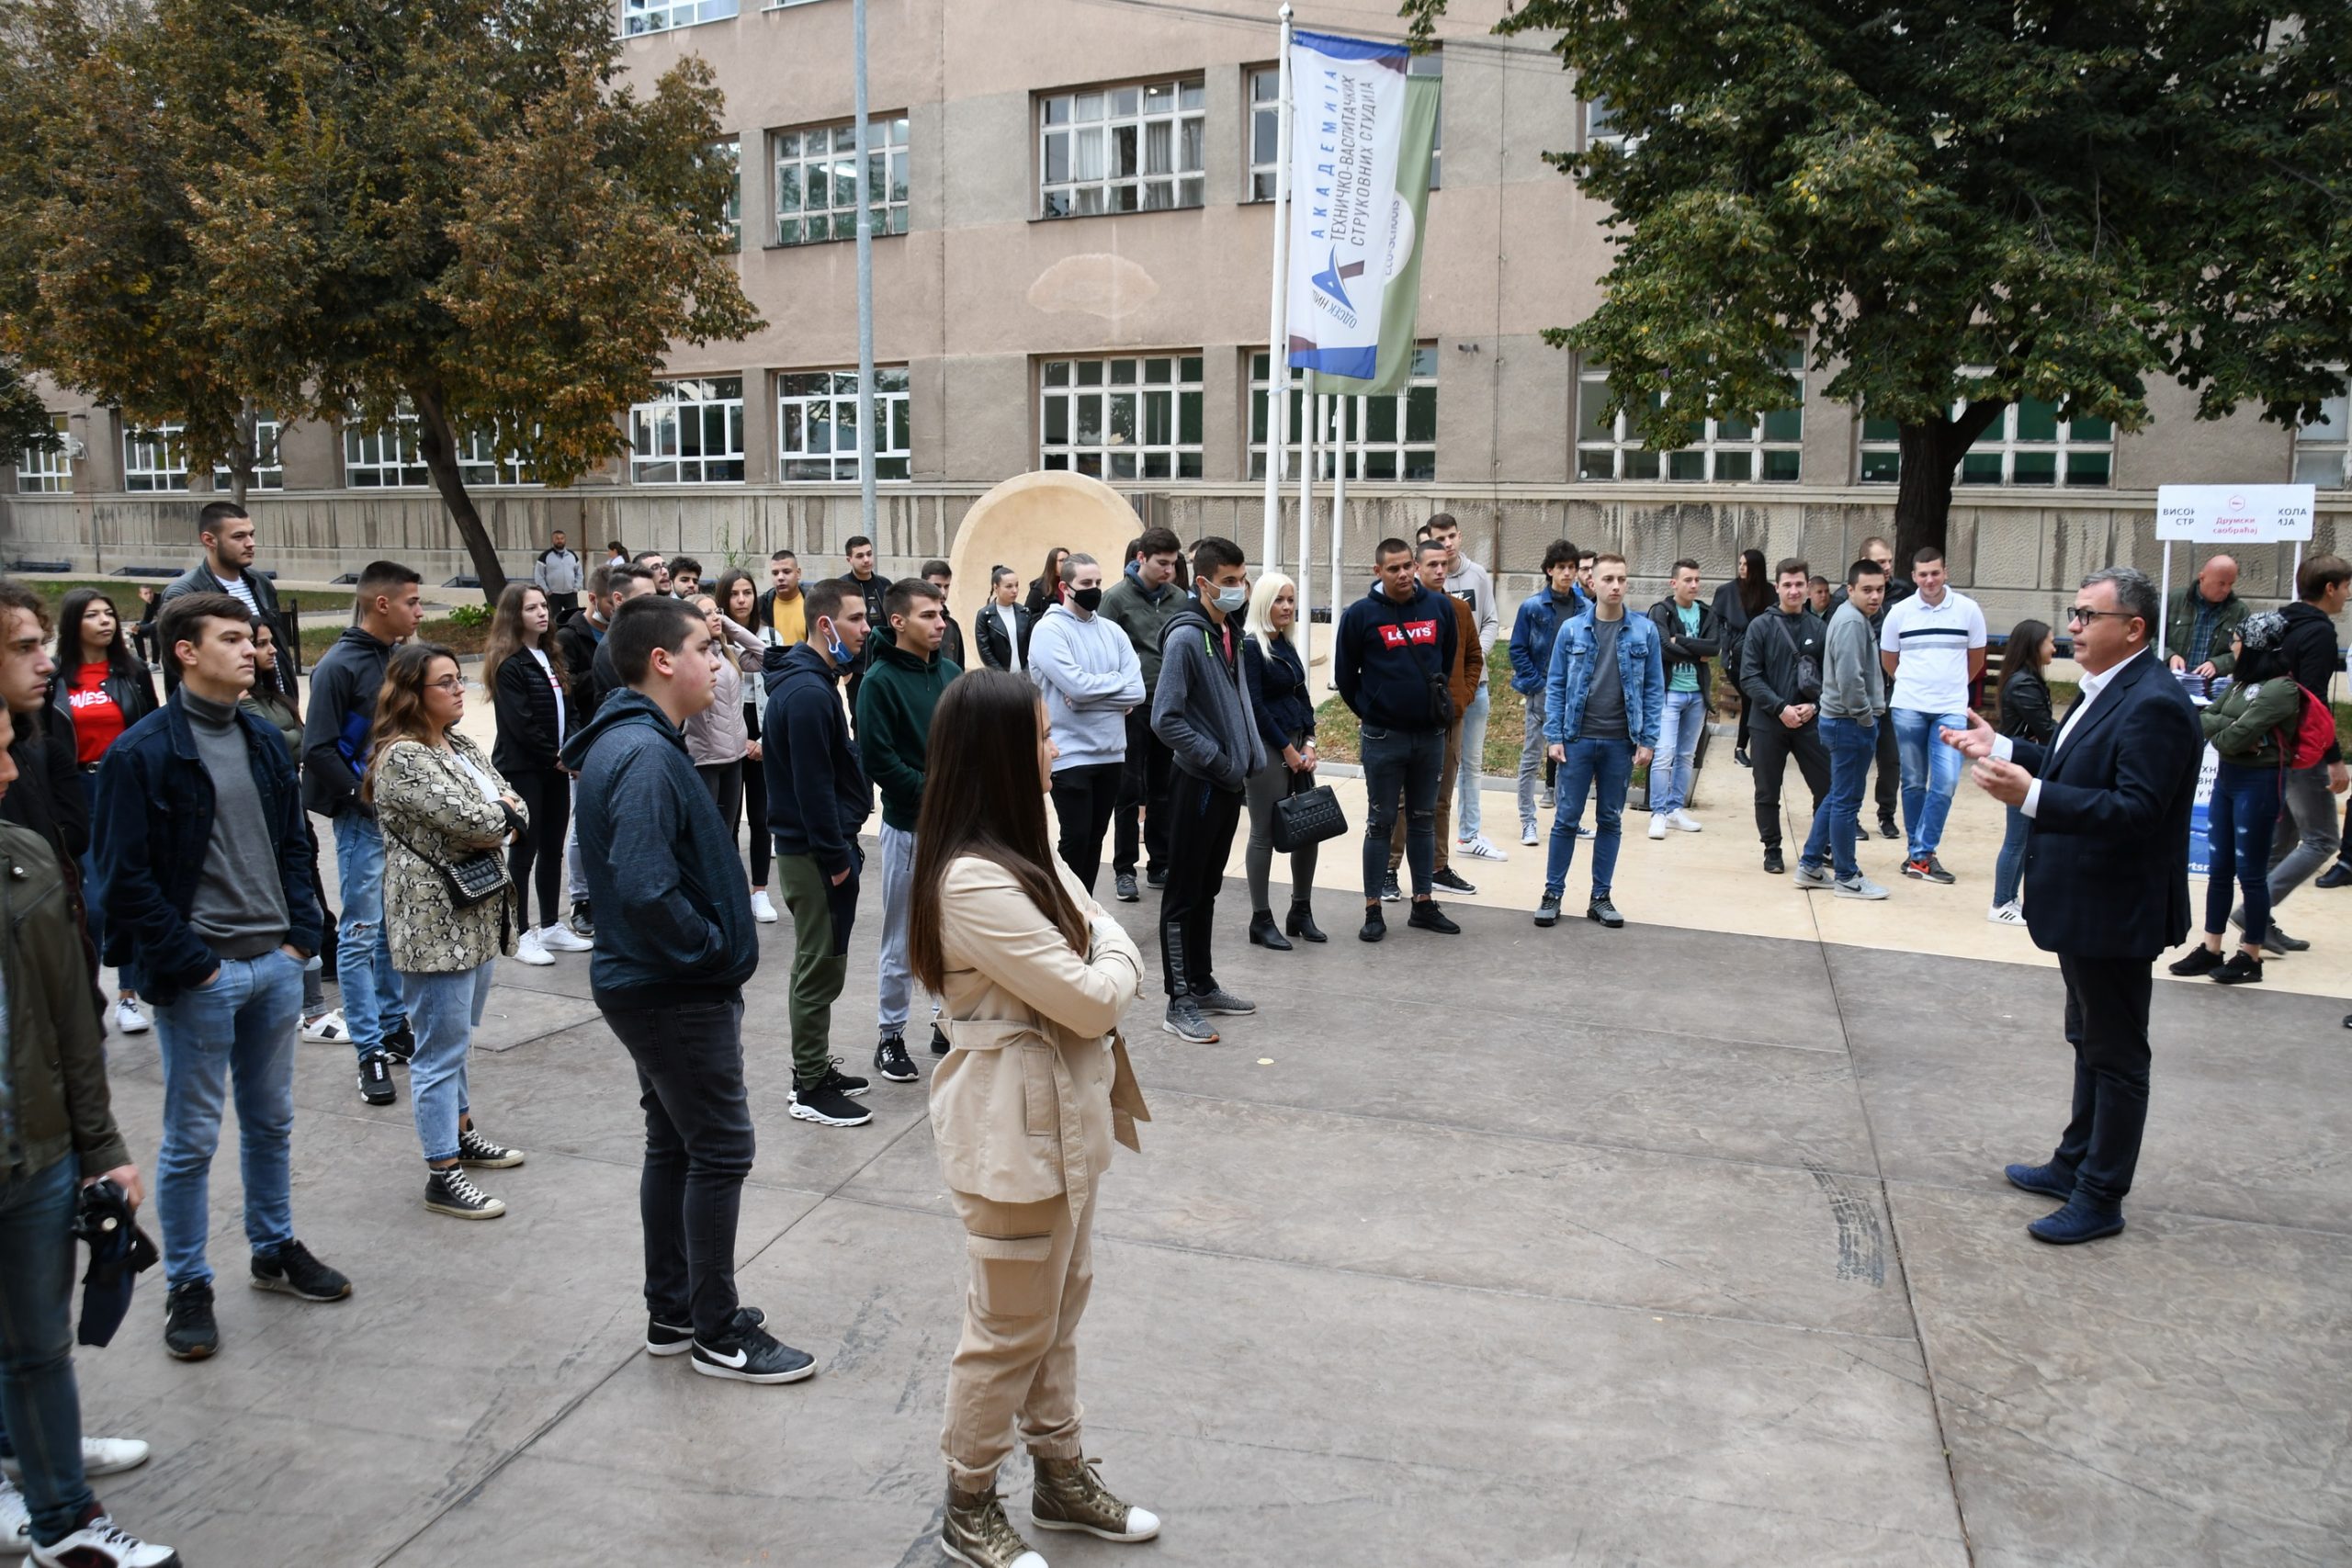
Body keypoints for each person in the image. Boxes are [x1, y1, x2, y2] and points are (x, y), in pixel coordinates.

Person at [908, 670, 1159, 1568]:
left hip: (1064, 1121)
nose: (1056, 748)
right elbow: (1092, 992)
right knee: (1008, 1325)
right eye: (1043, 736)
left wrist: (1106, 958)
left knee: (1058, 1310)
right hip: (1012, 1135)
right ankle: (968, 1500)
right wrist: (1117, 962)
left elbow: (1097, 941)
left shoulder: (1027, 842)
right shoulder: (972, 881)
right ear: (1004, 756)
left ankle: (1058, 1474)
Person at [94, 592, 350, 1359]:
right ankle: (188, 1282)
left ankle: (273, 1248)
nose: (252, 649)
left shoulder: (262, 738)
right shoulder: (141, 753)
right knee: (191, 1140)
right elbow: (123, 879)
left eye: (252, 637)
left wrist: (299, 939)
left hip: (274, 965)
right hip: (203, 977)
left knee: (271, 1121)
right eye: (233, 638)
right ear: (185, 651)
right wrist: (195, 964)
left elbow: (296, 844)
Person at [568, 595, 816, 1383]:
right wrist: (708, 950)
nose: (719, 661)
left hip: (655, 984)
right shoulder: (643, 754)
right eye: (706, 648)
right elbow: (645, 885)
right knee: (720, 1146)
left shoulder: (640, 741)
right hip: (670, 988)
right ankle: (716, 1331)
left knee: (675, 1143)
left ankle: (675, 1310)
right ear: (662, 661)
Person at [1944, 566, 2201, 1245]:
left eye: (2089, 616)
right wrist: (2001, 746)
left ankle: (2101, 1194)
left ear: (2134, 628)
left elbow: (2137, 810)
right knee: (2089, 1041)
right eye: (2075, 614)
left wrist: (2029, 795)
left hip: (2115, 909)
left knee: (2117, 1056)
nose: (2074, 627)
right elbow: (2071, 764)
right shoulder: (2106, 687)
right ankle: (2073, 1163)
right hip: (2084, 904)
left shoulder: (2154, 702)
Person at [0, 704, 178, 1568]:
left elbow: (75, 1021)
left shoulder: (25, 860)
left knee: (38, 1347)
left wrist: (101, 1147)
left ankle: (63, 1517)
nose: (11, 773)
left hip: (32, 1155)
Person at [368, 643, 529, 1217]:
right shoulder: (402, 757)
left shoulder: (460, 745)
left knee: (456, 1040)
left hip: (476, 913)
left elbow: (516, 806)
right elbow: (478, 819)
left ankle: (460, 1133)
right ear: (413, 694)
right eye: (446, 682)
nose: (460, 689)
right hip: (433, 924)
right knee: (437, 1051)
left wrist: (502, 816)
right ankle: (442, 1172)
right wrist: (500, 817)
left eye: (459, 679)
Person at [302, 560, 424, 1106]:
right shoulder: (338, 666)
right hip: (363, 821)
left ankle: (393, 1026)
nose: (418, 612)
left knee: (389, 929)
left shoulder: (398, 659)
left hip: (401, 818)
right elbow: (318, 750)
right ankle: (369, 1049)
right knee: (359, 932)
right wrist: (365, 800)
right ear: (381, 604)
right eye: (411, 602)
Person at [763, 580, 878, 1131]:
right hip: (814, 855)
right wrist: (836, 861)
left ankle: (812, 1070)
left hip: (817, 850)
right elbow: (811, 789)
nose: (865, 628)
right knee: (819, 967)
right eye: (855, 619)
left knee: (817, 963)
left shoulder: (814, 682)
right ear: (825, 624)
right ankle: (809, 1086)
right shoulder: (808, 693)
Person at [1149, 536, 1264, 1044]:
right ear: (1203, 583)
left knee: (1208, 888)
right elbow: (1165, 718)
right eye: (1230, 582)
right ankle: (1178, 1001)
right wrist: (1217, 758)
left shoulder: (1228, 631)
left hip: (1225, 784)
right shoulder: (1187, 638)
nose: (1241, 589)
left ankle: (1202, 983)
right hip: (1198, 781)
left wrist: (1241, 762)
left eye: (1243, 579)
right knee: (1182, 893)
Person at [857, 578, 960, 1083]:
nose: (940, 623)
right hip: (909, 829)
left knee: (951, 933)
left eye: (941, 613)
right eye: (928, 615)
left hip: (956, 829)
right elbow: (879, 759)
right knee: (901, 936)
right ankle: (891, 1035)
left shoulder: (952, 674)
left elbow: (968, 745)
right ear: (898, 622)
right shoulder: (877, 681)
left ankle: (946, 1021)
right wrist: (934, 793)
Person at [1336, 538, 1461, 942]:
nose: (1404, 574)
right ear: (1378, 572)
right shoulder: (1360, 615)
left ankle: (1423, 903)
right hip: (1383, 737)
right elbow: (1345, 677)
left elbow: (1446, 660)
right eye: (1394, 569)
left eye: (1408, 565)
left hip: (1430, 736)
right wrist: (1375, 711)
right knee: (1381, 822)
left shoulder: (1439, 608)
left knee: (1423, 819)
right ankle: (1373, 908)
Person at [2167, 615, 2302, 987]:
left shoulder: (2281, 689)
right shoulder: (2242, 683)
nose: (2232, 646)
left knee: (2251, 874)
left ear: (2256, 644)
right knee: (2219, 869)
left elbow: (2228, 737)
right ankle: (2211, 948)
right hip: (2228, 780)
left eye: (2238, 639)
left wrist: (2227, 732)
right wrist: (2230, 731)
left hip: (2258, 785)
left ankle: (2250, 956)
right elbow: (2205, 720)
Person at [50, 589, 157, 1035]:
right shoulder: (55, 678)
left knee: (127, 893)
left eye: (109, 613)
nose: (105, 621)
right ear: (73, 623)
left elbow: (151, 728)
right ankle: (87, 995)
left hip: (125, 788)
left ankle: (128, 997)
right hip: (78, 791)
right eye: (92, 615)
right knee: (91, 905)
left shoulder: (132, 673)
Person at [1534, 553, 1662, 929]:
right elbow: (1556, 684)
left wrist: (1648, 739)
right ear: (1592, 582)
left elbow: (1654, 688)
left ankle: (1600, 897)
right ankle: (1552, 894)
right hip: (1577, 739)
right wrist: (1554, 735)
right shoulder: (1572, 630)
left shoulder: (1645, 631)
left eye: (1621, 579)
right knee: (1566, 819)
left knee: (1610, 819)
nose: (1615, 586)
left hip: (1620, 742)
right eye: (1608, 579)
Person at [242, 618, 345, 1045]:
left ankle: (314, 1001)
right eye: (259, 643)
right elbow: (290, 743)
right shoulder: (242, 707)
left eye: (270, 642)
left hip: (291, 807)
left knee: (308, 895)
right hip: (262, 815)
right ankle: (310, 1010)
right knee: (292, 900)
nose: (268, 651)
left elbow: (302, 742)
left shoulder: (270, 696)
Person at [484, 584, 591, 966]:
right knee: (523, 850)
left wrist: (571, 748)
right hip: (524, 768)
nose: (543, 613)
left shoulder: (550, 655)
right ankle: (520, 932)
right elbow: (521, 723)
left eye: (543, 606)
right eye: (531, 608)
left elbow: (571, 709)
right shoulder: (509, 663)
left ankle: (550, 925)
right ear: (514, 615)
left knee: (552, 848)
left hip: (555, 767)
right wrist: (556, 756)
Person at [1026, 554, 1144, 895]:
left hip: (1111, 752)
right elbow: (1076, 686)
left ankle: (1084, 907)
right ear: (1065, 587)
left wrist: (1085, 698)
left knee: (1094, 839)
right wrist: (1110, 688)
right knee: (1075, 838)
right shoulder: (1049, 630)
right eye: (1086, 584)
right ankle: (1061, 905)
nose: (1094, 589)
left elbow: (1137, 690)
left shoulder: (1113, 631)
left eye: (1098, 583)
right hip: (1069, 753)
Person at [2256, 555, 2352, 942]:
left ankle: (2258, 927)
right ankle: (2254, 912)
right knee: (2323, 840)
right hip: (2303, 750)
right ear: (2329, 588)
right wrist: (2334, 759)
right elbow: (2313, 701)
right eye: (2346, 586)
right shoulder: (2319, 633)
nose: (2347, 594)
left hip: (2275, 745)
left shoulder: (2280, 623)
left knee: (2282, 842)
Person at [1880, 546, 1988, 884]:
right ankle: (1921, 856)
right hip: (1908, 707)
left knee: (1946, 781)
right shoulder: (1899, 613)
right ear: (1914, 577)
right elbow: (1889, 659)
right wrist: (1914, 685)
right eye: (1923, 574)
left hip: (1951, 708)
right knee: (1913, 782)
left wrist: (1951, 686)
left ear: (1945, 573)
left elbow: (1976, 658)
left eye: (1935, 573)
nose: (1929, 580)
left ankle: (1920, 853)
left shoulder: (1968, 610)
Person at [1383, 541, 1483, 899]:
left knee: (1441, 797)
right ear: (1416, 567)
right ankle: (1389, 869)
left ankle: (1437, 868)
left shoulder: (1458, 609)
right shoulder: (1398, 608)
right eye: (1432, 565)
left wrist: (1462, 696)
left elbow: (1474, 657)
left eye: (1444, 564)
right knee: (1401, 799)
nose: (1440, 571)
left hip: (1449, 718)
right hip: (1408, 719)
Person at [1792, 559, 1891, 900]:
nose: (1875, 596)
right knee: (1847, 803)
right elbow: (1850, 679)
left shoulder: (1854, 617)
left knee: (1837, 796)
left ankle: (1810, 865)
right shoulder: (1851, 621)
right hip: (1849, 723)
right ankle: (1847, 877)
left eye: (1880, 589)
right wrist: (1866, 717)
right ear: (1850, 590)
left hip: (1844, 721)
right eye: (1867, 589)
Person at [1100, 529, 1186, 903]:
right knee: (1128, 790)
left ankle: (1160, 864)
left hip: (1170, 708)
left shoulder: (1179, 599)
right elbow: (1103, 651)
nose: (1169, 570)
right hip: (1132, 708)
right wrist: (1117, 696)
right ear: (1141, 558)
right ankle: (1124, 870)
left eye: (1173, 563)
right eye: (1161, 563)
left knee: (1163, 789)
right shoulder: (1115, 599)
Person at [1241, 571, 1322, 952]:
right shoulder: (1250, 646)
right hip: (1267, 750)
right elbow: (1255, 707)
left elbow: (1302, 696)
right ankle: (1261, 919)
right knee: (1264, 833)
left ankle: (1300, 911)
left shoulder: (1285, 643)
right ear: (1263, 602)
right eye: (1279, 600)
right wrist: (1288, 750)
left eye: (1291, 599)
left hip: (1297, 746)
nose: (1287, 607)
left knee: (1309, 827)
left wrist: (1310, 742)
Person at [1738, 558, 1831, 875]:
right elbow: (1749, 677)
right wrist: (1780, 708)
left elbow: (1832, 678)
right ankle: (1772, 848)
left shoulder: (1820, 628)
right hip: (1767, 723)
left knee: (1827, 787)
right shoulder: (1760, 626)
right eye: (1787, 585)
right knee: (1767, 791)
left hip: (1810, 723)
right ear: (1776, 587)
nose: (1794, 590)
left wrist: (1814, 706)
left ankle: (1819, 846)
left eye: (1799, 584)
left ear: (1808, 588)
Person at [1425, 513, 1506, 861]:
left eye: (1452, 536)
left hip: (1476, 684)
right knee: (1437, 767)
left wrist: (1475, 657)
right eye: (1440, 538)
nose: (1447, 544)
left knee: (1471, 763)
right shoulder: (1424, 583)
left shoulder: (1477, 575)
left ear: (1460, 537)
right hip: (1438, 692)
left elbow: (1490, 621)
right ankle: (1428, 839)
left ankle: (1469, 834)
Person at [680, 592, 764, 920]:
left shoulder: (727, 653)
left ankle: (723, 900)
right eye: (707, 613)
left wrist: (727, 625)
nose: (715, 616)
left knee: (728, 835)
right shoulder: (690, 656)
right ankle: (703, 903)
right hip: (705, 759)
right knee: (706, 836)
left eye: (717, 610)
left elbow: (764, 655)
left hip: (734, 757)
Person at [159, 502, 288, 700]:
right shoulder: (186, 592)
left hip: (275, 704)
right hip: (227, 709)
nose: (250, 543)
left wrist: (288, 702)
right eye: (239, 536)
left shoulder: (260, 583)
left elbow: (278, 651)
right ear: (209, 540)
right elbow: (177, 671)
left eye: (251, 534)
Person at [1830, 536, 1905, 842]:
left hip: (1891, 691)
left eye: (1889, 561)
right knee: (1856, 763)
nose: (1886, 567)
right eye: (1879, 562)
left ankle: (1886, 814)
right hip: (1859, 696)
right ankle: (1853, 817)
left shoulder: (1902, 593)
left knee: (1891, 759)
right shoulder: (1845, 603)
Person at [714, 570, 779, 922]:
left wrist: (765, 740)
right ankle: (731, 888)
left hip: (763, 730)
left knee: (761, 815)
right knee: (728, 818)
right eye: (734, 594)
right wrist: (742, 740)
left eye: (748, 593)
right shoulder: (713, 640)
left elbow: (780, 688)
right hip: (727, 734)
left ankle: (760, 891)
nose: (742, 600)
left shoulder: (770, 635)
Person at [1510, 542, 1585, 843]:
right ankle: (1528, 821)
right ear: (1549, 570)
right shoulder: (1532, 607)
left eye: (1572, 568)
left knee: (1571, 759)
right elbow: (1517, 649)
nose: (1567, 573)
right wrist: (1537, 684)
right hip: (1541, 691)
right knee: (1532, 756)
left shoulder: (1585, 608)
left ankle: (1568, 820)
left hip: (1574, 694)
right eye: (1561, 567)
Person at [1987, 618, 2056, 925]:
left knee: (2024, 838)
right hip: (2019, 769)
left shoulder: (2027, 679)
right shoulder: (2024, 684)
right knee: (2016, 839)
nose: (2054, 647)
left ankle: (2010, 899)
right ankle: (2001, 902)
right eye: (2050, 642)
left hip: (2025, 766)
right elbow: (2046, 728)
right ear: (2034, 645)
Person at [1644, 558, 1719, 839]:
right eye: (1688, 580)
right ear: (1674, 583)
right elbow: (1663, 647)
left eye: (1697, 580)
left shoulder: (1707, 613)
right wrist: (1697, 653)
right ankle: (1658, 813)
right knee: (1664, 754)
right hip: (1669, 693)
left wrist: (1682, 642)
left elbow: (1714, 648)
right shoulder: (1661, 611)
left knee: (1686, 755)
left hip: (1697, 695)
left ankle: (1675, 809)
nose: (1694, 585)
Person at [1714, 547, 1770, 766]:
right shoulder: (1727, 591)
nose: (1741, 568)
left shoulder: (1768, 592)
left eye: (1746, 564)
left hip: (1762, 657)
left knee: (1754, 700)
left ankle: (1749, 748)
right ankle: (1742, 748)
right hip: (1736, 658)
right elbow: (1717, 621)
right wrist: (1725, 645)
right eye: (1740, 564)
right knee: (1751, 698)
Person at [2162, 553, 2247, 681]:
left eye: (2231, 584)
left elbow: (2246, 652)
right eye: (2221, 584)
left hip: (2210, 686)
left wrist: (2218, 664)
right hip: (2169, 680)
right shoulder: (2173, 600)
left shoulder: (2239, 611)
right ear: (2202, 578)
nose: (2226, 590)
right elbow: (2149, 639)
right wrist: (2169, 656)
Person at [838, 536, 892, 722]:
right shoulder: (841, 588)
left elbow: (894, 626)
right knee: (859, 720)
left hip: (884, 666)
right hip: (856, 671)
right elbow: (836, 630)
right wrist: (846, 671)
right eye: (860, 556)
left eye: (869, 554)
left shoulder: (885, 586)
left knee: (886, 718)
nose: (866, 560)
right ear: (849, 559)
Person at [975, 565, 1035, 673]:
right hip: (1000, 678)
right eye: (1009, 586)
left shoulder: (1024, 613)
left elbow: (1032, 645)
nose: (1015, 590)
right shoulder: (984, 615)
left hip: (1025, 677)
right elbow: (985, 650)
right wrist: (1002, 676)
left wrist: (1026, 673)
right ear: (996, 588)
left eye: (1017, 585)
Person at [920, 559, 967, 670]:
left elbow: (960, 670)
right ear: (923, 584)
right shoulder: (912, 623)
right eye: (937, 586)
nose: (942, 592)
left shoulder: (953, 627)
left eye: (946, 586)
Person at [757, 548, 808, 649]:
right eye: (775, 573)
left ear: (798, 573)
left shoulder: (813, 603)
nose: (780, 577)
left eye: (786, 572)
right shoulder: (761, 605)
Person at [532, 528, 584, 624]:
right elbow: (539, 575)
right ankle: (555, 633)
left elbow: (579, 573)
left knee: (574, 618)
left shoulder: (572, 555)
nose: (560, 541)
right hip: (553, 595)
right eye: (557, 538)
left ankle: (572, 632)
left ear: (565, 540)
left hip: (570, 594)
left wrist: (577, 587)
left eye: (562, 538)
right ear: (553, 540)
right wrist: (546, 590)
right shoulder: (545, 556)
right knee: (553, 620)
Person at [1024, 547, 1069, 619]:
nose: (1066, 563)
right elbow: (1028, 615)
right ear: (1052, 563)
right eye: (1062, 560)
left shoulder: (1072, 584)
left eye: (1068, 560)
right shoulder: (1039, 587)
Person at [131, 584, 161, 670]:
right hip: (161, 625)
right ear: (140, 595)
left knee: (154, 629)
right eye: (146, 593)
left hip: (172, 625)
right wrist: (136, 627)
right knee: (136, 632)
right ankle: (142, 661)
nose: (149, 595)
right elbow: (146, 620)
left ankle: (155, 663)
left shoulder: (160, 600)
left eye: (150, 592)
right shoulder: (149, 604)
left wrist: (140, 627)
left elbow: (162, 621)